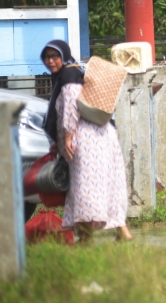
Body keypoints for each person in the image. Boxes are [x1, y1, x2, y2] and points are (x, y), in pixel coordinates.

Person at [41, 40, 132, 243]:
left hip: (86, 141)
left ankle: (86, 239)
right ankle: (121, 231)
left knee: (83, 190)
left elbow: (71, 107)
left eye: (54, 56)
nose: (50, 61)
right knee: (108, 186)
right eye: (46, 57)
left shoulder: (68, 76)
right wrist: (58, 141)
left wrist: (67, 136)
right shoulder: (73, 73)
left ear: (63, 56)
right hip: (102, 136)